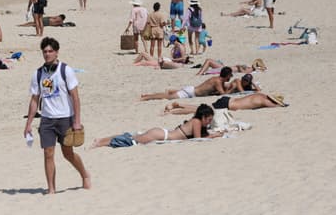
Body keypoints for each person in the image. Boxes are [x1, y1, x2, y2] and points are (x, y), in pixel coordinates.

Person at [24, 37, 91, 193]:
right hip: (47, 119)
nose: (47, 54)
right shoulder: (38, 73)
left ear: (56, 52)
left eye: (50, 51)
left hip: (65, 118)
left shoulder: (65, 70)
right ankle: (51, 189)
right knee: (48, 153)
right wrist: (28, 124)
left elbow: (75, 96)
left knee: (68, 154)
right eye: (45, 51)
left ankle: (84, 174)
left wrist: (77, 121)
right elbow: (34, 100)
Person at [90, 104, 225, 148]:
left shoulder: (196, 122)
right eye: (208, 119)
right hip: (161, 135)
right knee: (130, 141)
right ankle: (100, 143)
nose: (209, 122)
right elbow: (197, 139)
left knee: (132, 137)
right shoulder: (196, 122)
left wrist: (212, 134)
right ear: (203, 117)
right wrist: (214, 136)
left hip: (162, 133)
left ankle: (101, 140)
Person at [140, 66, 233, 101]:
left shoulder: (217, 80)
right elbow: (223, 94)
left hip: (191, 91)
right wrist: (232, 89)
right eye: (230, 75)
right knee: (167, 97)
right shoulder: (218, 81)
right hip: (190, 93)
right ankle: (147, 97)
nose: (231, 77)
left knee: (168, 95)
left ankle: (148, 95)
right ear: (227, 75)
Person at [164, 92, 287, 115]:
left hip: (228, 100)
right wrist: (282, 104)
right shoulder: (265, 100)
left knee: (202, 108)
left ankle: (178, 105)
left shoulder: (261, 95)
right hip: (228, 105)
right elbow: (275, 105)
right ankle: (175, 109)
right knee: (199, 110)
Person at [195, 58, 266, 76]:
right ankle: (201, 73)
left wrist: (239, 66)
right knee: (209, 61)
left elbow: (243, 72)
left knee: (209, 61)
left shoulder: (250, 70)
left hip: (226, 69)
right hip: (225, 67)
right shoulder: (249, 68)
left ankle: (199, 74)